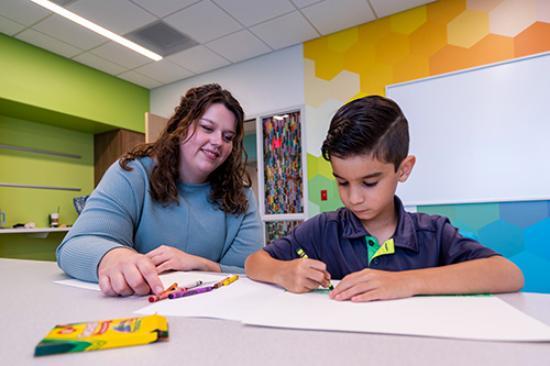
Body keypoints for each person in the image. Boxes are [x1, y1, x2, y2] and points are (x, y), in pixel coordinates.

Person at [245, 95, 524, 302]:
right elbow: (255, 262)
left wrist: (407, 282)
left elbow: (508, 274)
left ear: (403, 169)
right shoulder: (323, 229)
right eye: (342, 182)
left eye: (369, 182)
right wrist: (284, 272)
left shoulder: (432, 232)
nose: (353, 198)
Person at [57, 84, 263, 297]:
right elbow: (74, 247)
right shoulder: (132, 174)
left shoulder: (242, 198)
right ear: (181, 126)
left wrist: (200, 264)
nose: (217, 142)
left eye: (228, 137)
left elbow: (252, 271)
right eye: (207, 128)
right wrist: (113, 256)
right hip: (135, 308)